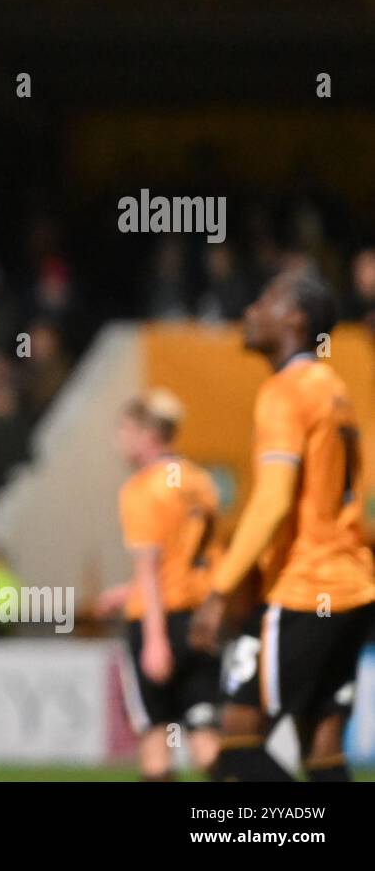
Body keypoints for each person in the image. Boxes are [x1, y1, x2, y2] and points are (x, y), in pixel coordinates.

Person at [190, 269, 375, 781]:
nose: (250, 310)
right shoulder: (334, 390)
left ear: (295, 318)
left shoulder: (286, 391)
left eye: (264, 300)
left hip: (305, 588)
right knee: (323, 745)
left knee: (234, 744)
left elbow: (273, 501)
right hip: (353, 588)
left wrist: (220, 590)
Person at [111, 390, 221, 779]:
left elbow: (151, 568)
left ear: (147, 433)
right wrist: (128, 591)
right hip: (200, 621)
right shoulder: (200, 481)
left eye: (124, 429)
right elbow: (192, 556)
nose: (119, 439)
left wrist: (155, 640)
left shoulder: (142, 489)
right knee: (206, 738)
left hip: (157, 622)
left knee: (156, 743)